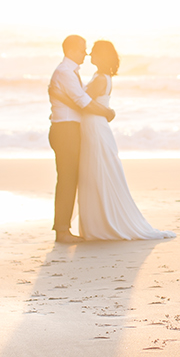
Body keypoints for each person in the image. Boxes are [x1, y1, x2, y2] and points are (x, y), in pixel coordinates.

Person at [77, 39, 174, 241]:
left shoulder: (100, 79)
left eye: (93, 51)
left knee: (98, 172)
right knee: (96, 173)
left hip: (94, 126)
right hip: (95, 125)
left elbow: (83, 103)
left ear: (101, 55)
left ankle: (102, 225)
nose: (89, 55)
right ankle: (99, 223)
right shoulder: (101, 77)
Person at [47, 34, 114, 243]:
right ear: (72, 50)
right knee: (67, 179)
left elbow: (78, 100)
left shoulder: (69, 72)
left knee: (71, 178)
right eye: (82, 49)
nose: (85, 53)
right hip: (65, 129)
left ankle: (63, 228)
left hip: (69, 128)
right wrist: (107, 112)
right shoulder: (65, 72)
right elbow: (83, 102)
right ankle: (62, 230)